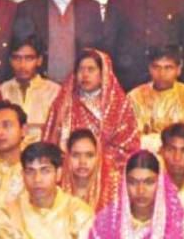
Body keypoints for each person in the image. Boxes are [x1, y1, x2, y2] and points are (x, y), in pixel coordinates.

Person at [43, 48, 140, 179]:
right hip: (68, 172)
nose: (85, 75)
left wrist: (95, 159)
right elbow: (50, 142)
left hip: (110, 175)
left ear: (103, 73)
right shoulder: (63, 104)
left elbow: (129, 146)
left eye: (91, 69)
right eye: (81, 69)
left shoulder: (119, 105)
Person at [13, 0, 104, 84]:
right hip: (40, 87)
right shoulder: (28, 8)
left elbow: (98, 53)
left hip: (80, 87)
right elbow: (22, 53)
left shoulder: (91, 7)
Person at [127, 45, 184, 153]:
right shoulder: (135, 96)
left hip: (178, 155)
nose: (162, 74)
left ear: (179, 69)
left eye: (168, 68)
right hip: (144, 156)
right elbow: (132, 138)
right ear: (149, 68)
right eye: (156, 67)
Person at [0, 35, 61, 144]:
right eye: (17, 58)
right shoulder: (2, 91)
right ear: (10, 60)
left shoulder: (54, 91)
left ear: (39, 60)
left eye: (28, 58)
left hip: (43, 152)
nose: (22, 65)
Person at [60, 129, 116, 213]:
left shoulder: (111, 192)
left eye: (89, 155)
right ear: (67, 157)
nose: (82, 162)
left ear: (98, 157)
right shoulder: (56, 191)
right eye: (76, 155)